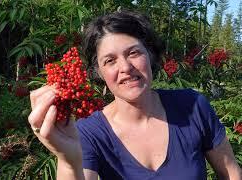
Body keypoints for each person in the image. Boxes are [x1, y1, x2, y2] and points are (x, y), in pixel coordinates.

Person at [28, 10, 242, 180]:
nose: (125, 67)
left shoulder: (193, 106)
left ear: (149, 55)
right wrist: (67, 160)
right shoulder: (88, 132)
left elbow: (231, 173)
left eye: (133, 53)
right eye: (109, 61)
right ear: (98, 72)